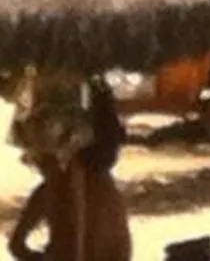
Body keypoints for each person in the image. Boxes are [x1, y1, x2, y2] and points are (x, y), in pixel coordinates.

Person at [9, 80, 132, 261]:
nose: (34, 163)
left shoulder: (61, 188)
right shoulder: (60, 189)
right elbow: (16, 245)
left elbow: (17, 246)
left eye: (37, 157)